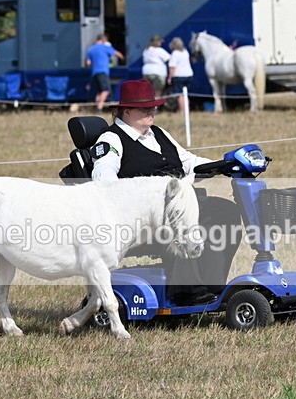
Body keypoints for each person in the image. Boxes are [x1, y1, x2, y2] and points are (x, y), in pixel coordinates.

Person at [91, 79, 242, 306]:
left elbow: (189, 161)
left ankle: (213, 285)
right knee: (178, 218)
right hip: (141, 217)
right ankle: (185, 290)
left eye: (154, 106)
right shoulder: (111, 139)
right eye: (145, 108)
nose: (152, 111)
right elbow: (103, 178)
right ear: (126, 111)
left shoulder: (158, 133)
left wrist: (223, 165)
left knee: (225, 212)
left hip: (182, 202)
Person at [85, 34, 125, 111]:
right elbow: (118, 54)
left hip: (94, 72)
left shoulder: (90, 49)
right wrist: (122, 58)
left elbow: (88, 63)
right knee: (106, 90)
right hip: (103, 71)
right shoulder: (105, 48)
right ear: (103, 40)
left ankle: (96, 107)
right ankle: (99, 108)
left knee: (100, 91)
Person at [167, 37, 194, 113]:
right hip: (189, 75)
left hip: (179, 76)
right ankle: (187, 111)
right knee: (185, 94)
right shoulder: (185, 52)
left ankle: (182, 111)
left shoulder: (175, 53)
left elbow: (172, 67)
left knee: (179, 95)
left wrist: (170, 77)